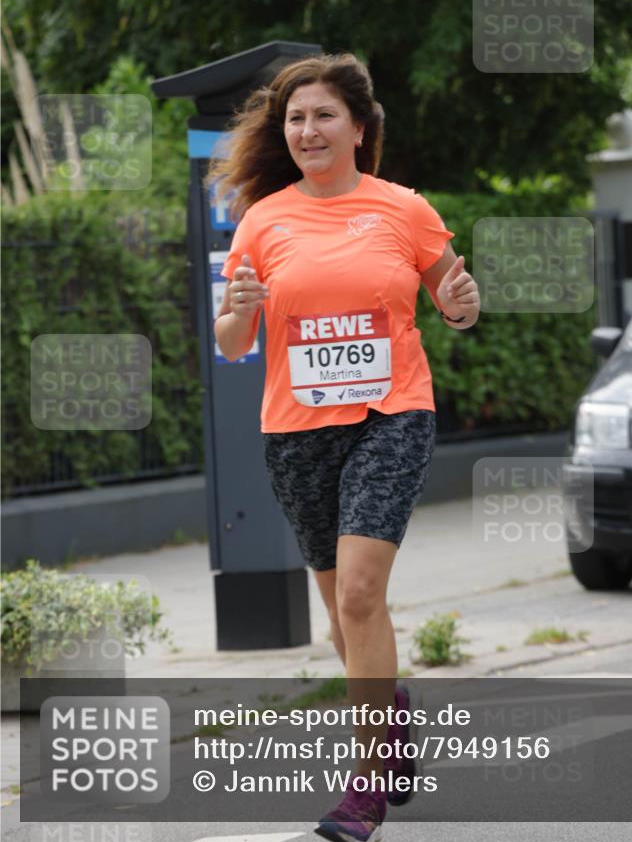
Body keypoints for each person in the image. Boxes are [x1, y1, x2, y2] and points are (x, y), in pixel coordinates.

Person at [208, 52, 480, 842]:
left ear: (358, 129)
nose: (306, 129)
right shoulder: (262, 219)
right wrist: (238, 307)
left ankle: (362, 788)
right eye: (295, 118)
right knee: (339, 612)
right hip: (296, 431)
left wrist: (462, 305)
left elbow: (453, 303)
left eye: (323, 115)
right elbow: (232, 341)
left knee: (359, 594)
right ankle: (390, 723)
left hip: (390, 415)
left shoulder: (403, 210)